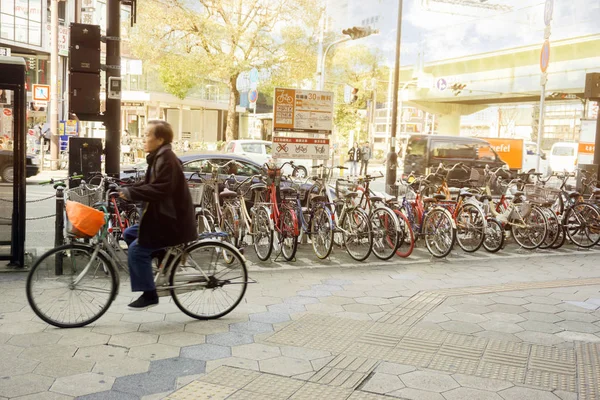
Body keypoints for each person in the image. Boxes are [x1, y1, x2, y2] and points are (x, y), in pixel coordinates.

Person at [119, 120, 197, 310]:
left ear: (160, 139)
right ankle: (161, 256)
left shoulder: (167, 159)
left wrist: (131, 193)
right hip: (164, 218)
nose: (143, 139)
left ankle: (149, 294)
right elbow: (149, 184)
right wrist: (126, 188)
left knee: (137, 250)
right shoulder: (158, 157)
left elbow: (160, 189)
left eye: (147, 135)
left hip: (173, 223)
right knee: (129, 233)